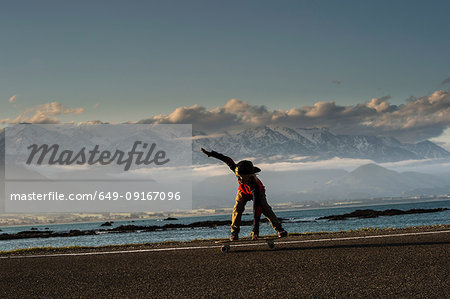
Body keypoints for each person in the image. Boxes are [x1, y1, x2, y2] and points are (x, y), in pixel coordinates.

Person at [201, 148, 288, 241]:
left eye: (242, 178)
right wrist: (212, 154)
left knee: (265, 209)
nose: (239, 179)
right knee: (237, 209)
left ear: (249, 176)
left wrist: (256, 229)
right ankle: (234, 233)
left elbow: (256, 208)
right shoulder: (237, 170)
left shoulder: (256, 187)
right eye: (238, 176)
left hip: (259, 193)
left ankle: (279, 229)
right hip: (242, 192)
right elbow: (227, 160)